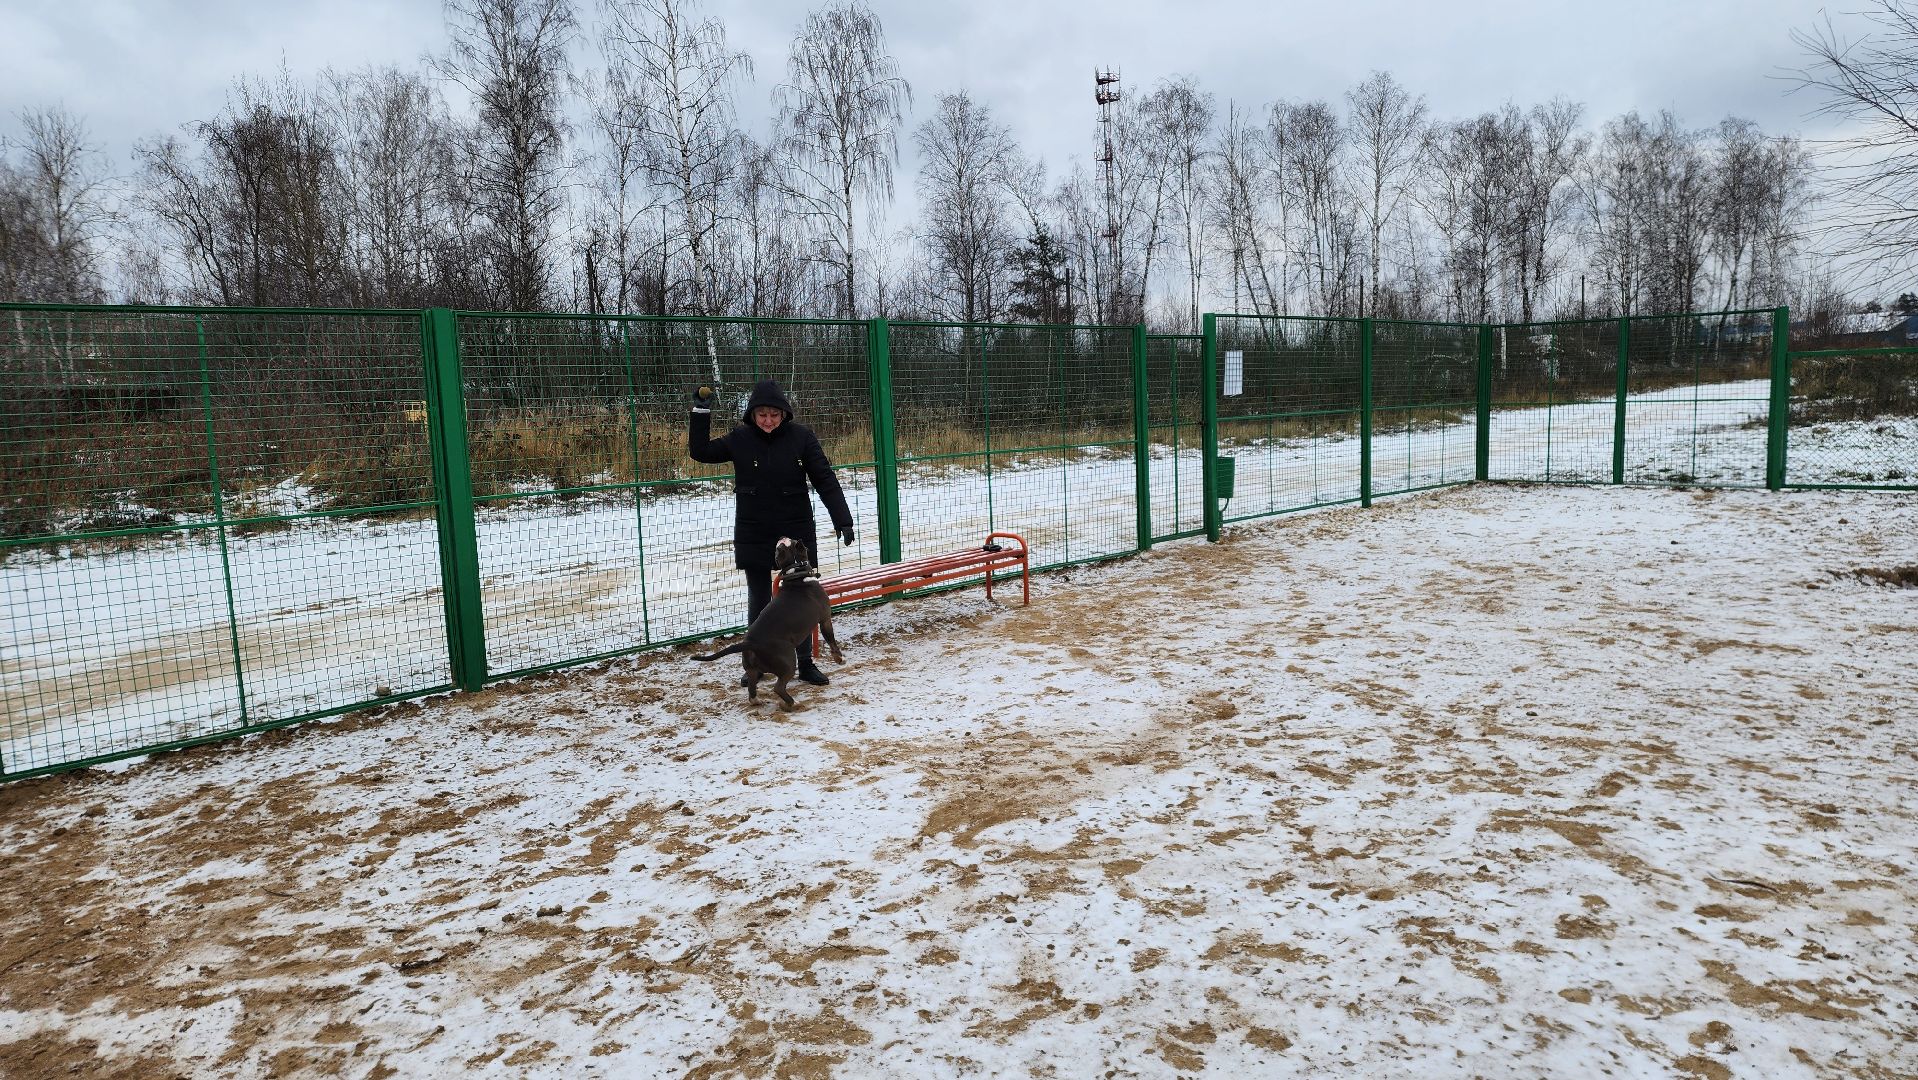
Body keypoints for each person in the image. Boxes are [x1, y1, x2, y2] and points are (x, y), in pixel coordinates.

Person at [689, 379, 854, 685]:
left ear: (784, 414)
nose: (768, 420)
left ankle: (804, 663)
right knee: (760, 598)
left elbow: (825, 479)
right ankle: (756, 664)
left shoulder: (802, 437)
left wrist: (843, 519)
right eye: (762, 414)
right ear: (752, 414)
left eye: (774, 415)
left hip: (796, 528)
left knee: (801, 601)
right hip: (755, 528)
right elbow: (700, 452)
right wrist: (700, 412)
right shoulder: (740, 438)